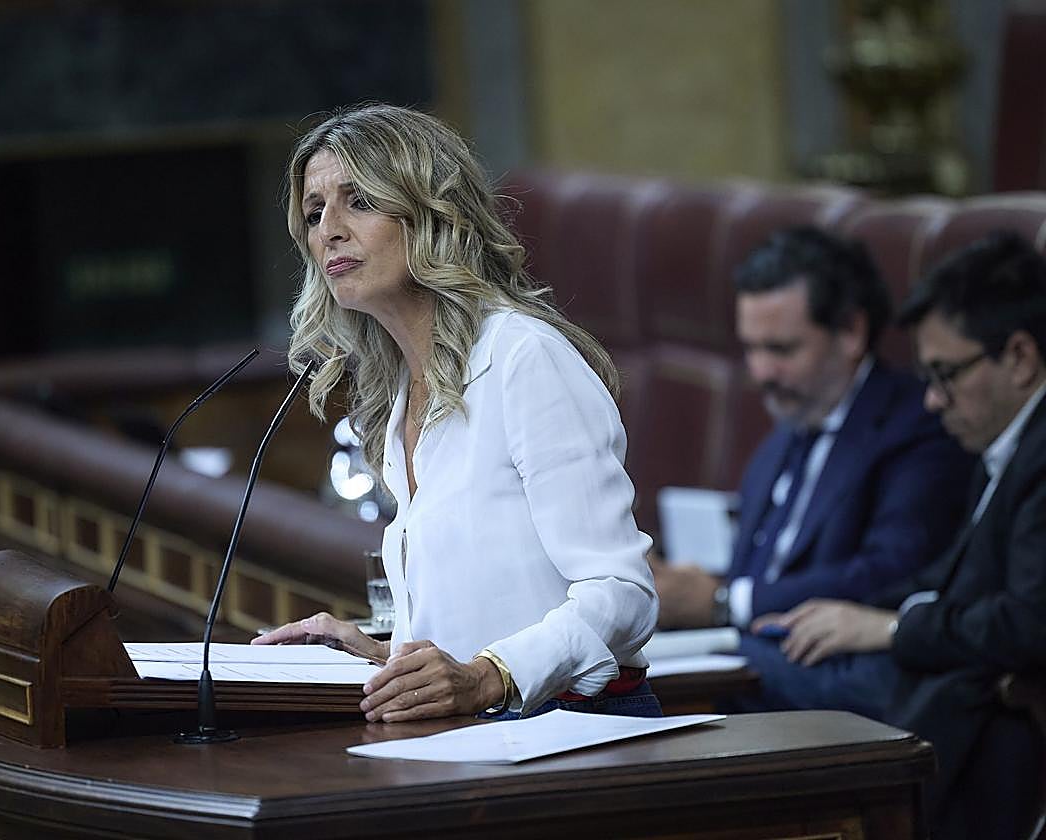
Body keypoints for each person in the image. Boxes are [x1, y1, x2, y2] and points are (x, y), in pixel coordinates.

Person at [253, 104, 660, 723]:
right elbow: (486, 618)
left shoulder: (525, 358)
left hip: (578, 733)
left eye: (358, 200)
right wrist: (380, 657)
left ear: (431, 214)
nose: (329, 230)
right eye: (314, 213)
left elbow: (623, 594)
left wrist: (489, 677)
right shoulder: (399, 399)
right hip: (478, 735)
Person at [753, 231, 1046, 840]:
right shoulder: (1005, 447)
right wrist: (859, 613)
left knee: (756, 673)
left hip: (989, 720)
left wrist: (888, 627)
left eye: (946, 375)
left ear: (1019, 357)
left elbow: (1027, 623)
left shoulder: (1038, 454)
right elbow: (945, 578)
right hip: (951, 692)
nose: (933, 401)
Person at [649, 227, 973, 718]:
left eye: (781, 349)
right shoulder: (788, 430)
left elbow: (891, 572)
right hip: (752, 672)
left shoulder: (919, 427)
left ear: (851, 332)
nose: (760, 372)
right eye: (751, 349)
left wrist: (721, 602)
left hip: (835, 696)